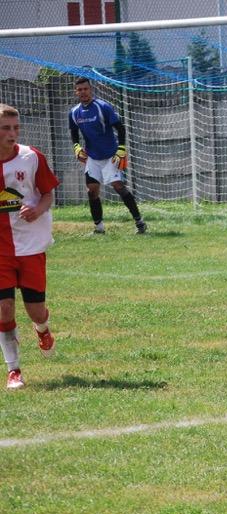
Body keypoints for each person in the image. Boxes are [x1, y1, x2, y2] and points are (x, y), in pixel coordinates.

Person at [0, 104, 59, 390]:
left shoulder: (31, 157)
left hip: (31, 245)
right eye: (5, 128)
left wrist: (37, 210)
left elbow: (47, 194)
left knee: (36, 311)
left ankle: (42, 329)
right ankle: (14, 370)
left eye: (16, 128)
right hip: (1, 250)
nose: (12, 134)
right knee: (4, 308)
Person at [68, 77, 146, 234]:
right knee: (91, 191)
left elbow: (120, 128)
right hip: (92, 157)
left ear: (91, 90)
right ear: (76, 92)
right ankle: (99, 228)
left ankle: (140, 222)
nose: (83, 92)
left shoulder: (103, 107)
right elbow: (74, 132)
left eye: (85, 89)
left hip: (110, 155)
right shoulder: (74, 112)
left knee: (119, 187)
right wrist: (76, 146)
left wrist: (121, 148)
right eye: (80, 90)